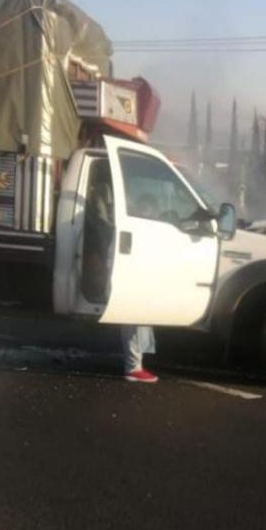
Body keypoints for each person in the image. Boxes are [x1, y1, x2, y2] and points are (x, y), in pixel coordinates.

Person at [83, 161, 158, 383]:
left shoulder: (114, 210)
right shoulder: (116, 213)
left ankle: (135, 363)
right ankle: (133, 367)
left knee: (137, 315)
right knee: (134, 315)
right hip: (120, 270)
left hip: (120, 268)